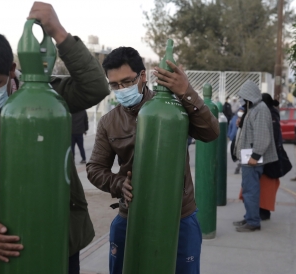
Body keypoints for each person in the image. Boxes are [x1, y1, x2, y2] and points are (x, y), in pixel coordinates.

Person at [0, 2, 109, 274]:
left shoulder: (48, 96)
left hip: (59, 237)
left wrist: (58, 33)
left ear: (11, 69)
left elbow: (95, 87)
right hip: (4, 243)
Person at [86, 47, 219, 274]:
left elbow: (211, 132)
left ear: (143, 76)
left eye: (127, 82)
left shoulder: (174, 108)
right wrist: (119, 184)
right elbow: (95, 168)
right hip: (131, 215)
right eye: (114, 85)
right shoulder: (109, 122)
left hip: (180, 217)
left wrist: (186, 91)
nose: (121, 89)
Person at [233, 80, 277, 232]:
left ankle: (253, 222)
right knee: (248, 190)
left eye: (243, 96)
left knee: (250, 191)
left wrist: (255, 156)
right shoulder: (254, 108)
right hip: (249, 158)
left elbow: (262, 136)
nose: (242, 99)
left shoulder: (259, 109)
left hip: (252, 159)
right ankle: (249, 218)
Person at [239, 94, 286, 220]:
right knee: (253, 189)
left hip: (264, 159)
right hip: (258, 157)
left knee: (261, 189)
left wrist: (256, 154)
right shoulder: (263, 112)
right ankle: (254, 215)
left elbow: (266, 138)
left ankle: (259, 214)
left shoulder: (266, 113)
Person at [228, 106, 245, 174]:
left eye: (242, 111)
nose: (240, 112)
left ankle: (239, 166)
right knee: (234, 152)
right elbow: (230, 127)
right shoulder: (234, 118)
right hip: (233, 138)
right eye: (239, 111)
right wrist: (229, 135)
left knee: (240, 154)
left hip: (240, 139)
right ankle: (238, 164)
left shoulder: (244, 119)